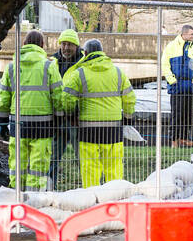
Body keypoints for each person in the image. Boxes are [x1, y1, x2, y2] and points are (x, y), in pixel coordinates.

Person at [57, 38, 137, 187]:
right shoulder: (118, 72)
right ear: (102, 52)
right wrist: (127, 118)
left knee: (90, 168)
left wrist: (71, 114)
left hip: (88, 129)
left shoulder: (79, 73)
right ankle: (115, 197)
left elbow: (67, 98)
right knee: (114, 167)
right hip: (113, 129)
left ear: (85, 53)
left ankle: (92, 198)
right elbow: (130, 98)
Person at [0, 29, 63, 190]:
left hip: (18, 123)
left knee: (18, 162)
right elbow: (58, 96)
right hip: (43, 124)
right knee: (38, 164)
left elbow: (4, 97)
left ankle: (16, 194)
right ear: (42, 45)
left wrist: (3, 122)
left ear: (24, 44)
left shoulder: (11, 67)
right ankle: (34, 197)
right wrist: (59, 118)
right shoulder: (49, 66)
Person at [161, 24, 193, 147]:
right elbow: (165, 65)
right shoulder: (171, 46)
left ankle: (184, 138)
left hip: (190, 86)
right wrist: (172, 80)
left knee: (188, 114)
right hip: (177, 86)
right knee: (176, 114)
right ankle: (174, 140)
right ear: (184, 34)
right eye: (191, 34)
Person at [48, 28, 83, 187]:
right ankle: (50, 187)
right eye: (64, 44)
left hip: (76, 119)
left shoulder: (83, 63)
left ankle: (88, 188)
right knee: (53, 156)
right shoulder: (51, 63)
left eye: (70, 44)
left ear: (76, 46)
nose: (66, 47)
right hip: (56, 118)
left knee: (81, 157)